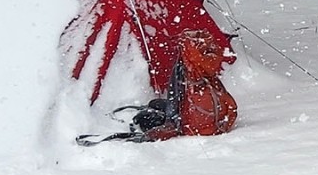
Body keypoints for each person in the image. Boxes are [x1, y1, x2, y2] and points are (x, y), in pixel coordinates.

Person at [81, 30, 237, 145]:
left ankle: (160, 117)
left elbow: (175, 108)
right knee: (155, 104)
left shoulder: (189, 68)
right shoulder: (205, 66)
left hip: (194, 124)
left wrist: (158, 131)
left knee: (144, 119)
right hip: (212, 120)